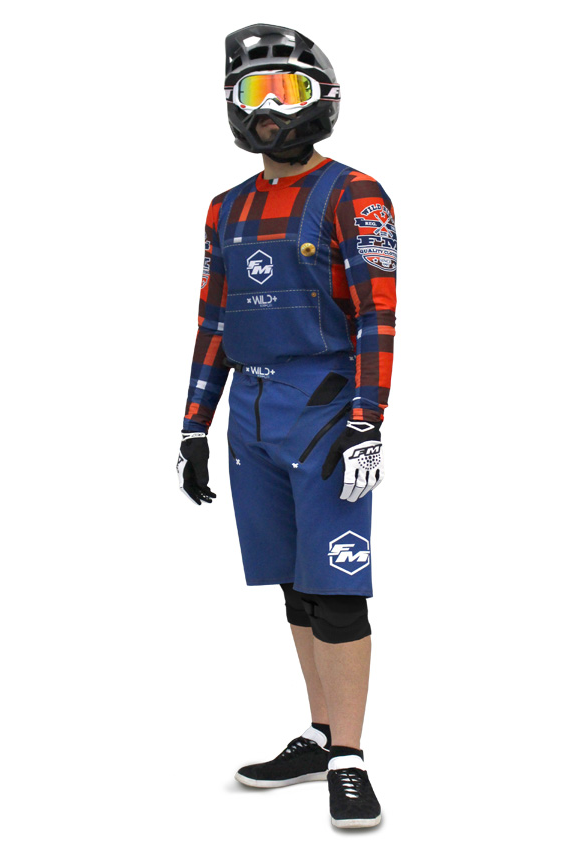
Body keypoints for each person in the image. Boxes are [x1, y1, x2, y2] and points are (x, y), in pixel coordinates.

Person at [177, 23, 396, 829]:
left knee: (337, 588)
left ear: (323, 99)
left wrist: (366, 422)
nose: (270, 110)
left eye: (289, 89)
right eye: (253, 92)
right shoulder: (225, 209)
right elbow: (214, 321)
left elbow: (377, 316)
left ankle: (351, 759)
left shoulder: (354, 196)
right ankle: (320, 733)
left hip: (324, 410)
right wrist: (194, 426)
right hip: (251, 416)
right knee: (294, 585)